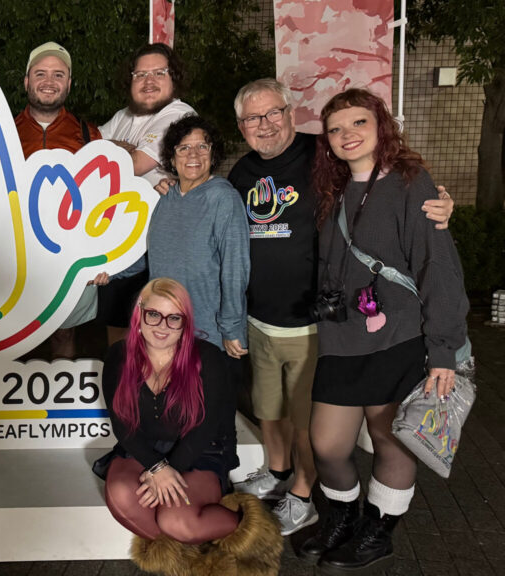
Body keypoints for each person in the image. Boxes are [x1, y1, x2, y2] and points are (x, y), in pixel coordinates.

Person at [226, 79, 456, 536]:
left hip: (335, 326)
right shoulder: (253, 173)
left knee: (341, 429)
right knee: (287, 417)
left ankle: (328, 507)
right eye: (252, 118)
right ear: (241, 126)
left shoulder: (329, 156)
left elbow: (418, 236)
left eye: (273, 113)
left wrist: (440, 206)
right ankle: (304, 491)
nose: (264, 124)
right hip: (284, 321)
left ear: (291, 114)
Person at [301, 88, 468, 574]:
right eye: (336, 129)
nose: (347, 135)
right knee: (327, 444)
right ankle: (343, 519)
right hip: (341, 336)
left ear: (381, 126)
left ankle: (378, 531)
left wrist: (443, 349)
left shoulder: (410, 182)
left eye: (359, 123)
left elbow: (437, 265)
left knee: (389, 438)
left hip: (399, 334)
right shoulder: (330, 187)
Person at [102, 278, 281, 575]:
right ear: (139, 313)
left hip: (200, 450)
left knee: (177, 522)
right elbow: (121, 423)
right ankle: (194, 560)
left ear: (185, 323)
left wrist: (170, 469)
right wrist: (157, 467)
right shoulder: (118, 355)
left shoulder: (207, 358)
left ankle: (252, 531)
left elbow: (207, 428)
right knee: (121, 495)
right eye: (154, 314)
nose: (163, 326)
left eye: (174, 318)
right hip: (143, 449)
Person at [102, 114, 250, 363]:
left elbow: (235, 269)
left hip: (205, 330)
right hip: (162, 328)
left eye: (202, 146)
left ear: (213, 154)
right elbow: (150, 255)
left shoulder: (224, 199)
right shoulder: (163, 199)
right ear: (171, 157)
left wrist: (231, 327)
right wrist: (107, 271)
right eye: (184, 148)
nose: (193, 155)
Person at [96, 44, 197, 348]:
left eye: (159, 73)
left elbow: (135, 164)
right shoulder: (123, 116)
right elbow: (87, 156)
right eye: (140, 74)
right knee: (117, 331)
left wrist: (114, 151)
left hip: (158, 246)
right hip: (121, 240)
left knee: (158, 335)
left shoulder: (179, 114)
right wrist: (119, 150)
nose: (148, 81)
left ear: (174, 78)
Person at [14, 41, 102, 358]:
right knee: (8, 335)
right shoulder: (2, 131)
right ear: (27, 80)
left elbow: (100, 201)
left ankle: (58, 390)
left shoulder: (89, 135)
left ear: (69, 83)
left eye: (58, 74)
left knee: (63, 333)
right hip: (14, 254)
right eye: (40, 73)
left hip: (68, 252)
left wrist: (98, 256)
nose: (49, 81)